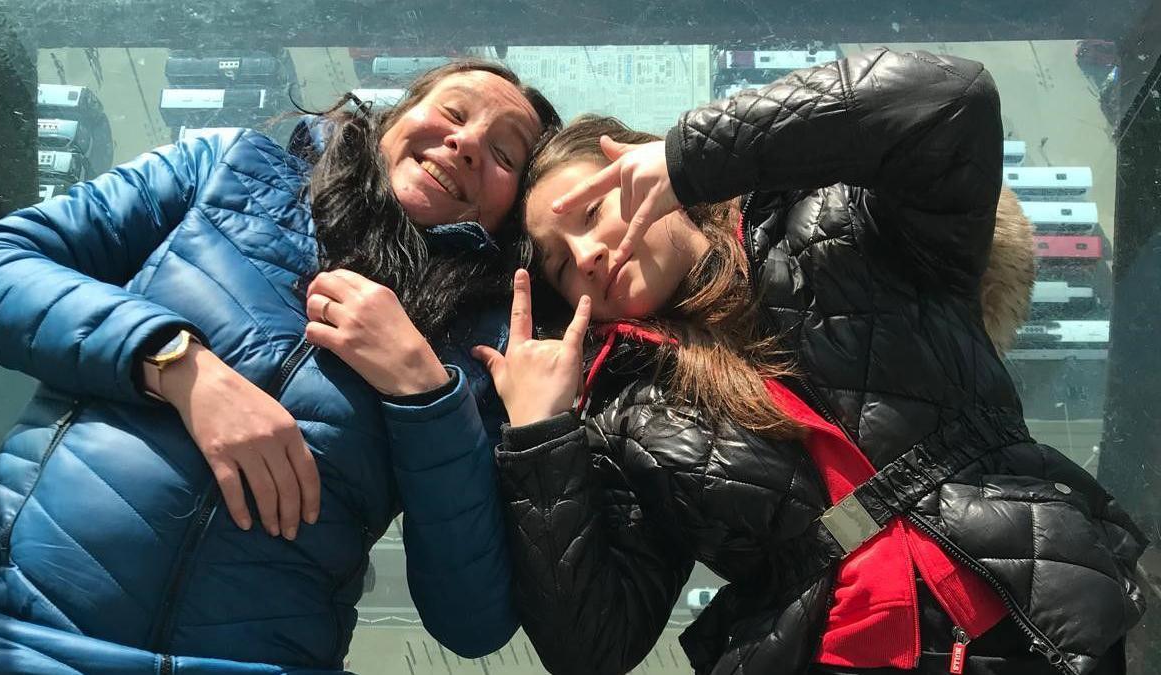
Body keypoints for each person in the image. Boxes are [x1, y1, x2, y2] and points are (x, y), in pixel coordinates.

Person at [477, 49, 1146, 675]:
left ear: (647, 173)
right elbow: (594, 644)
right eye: (561, 263)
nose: (587, 254)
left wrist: (693, 155)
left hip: (1046, 616)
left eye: (594, 209)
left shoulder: (838, 222)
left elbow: (952, 101)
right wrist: (540, 437)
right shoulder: (619, 414)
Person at [0, 59, 560, 674]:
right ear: (396, 116)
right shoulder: (222, 168)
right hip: (3, 624)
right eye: (454, 113)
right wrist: (174, 361)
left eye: (504, 155)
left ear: (514, 208)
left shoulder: (484, 353)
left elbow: (473, 621)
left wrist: (425, 393)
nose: (465, 144)